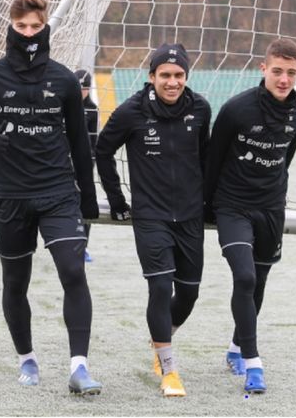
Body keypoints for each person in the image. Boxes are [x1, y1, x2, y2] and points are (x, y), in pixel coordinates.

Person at [0, 0, 102, 395]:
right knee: (16, 281)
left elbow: (80, 145)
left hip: (57, 193)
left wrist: (87, 199)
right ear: (11, 27)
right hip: (12, 197)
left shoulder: (65, 80)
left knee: (74, 272)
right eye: (22, 27)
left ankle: (79, 367)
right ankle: (27, 359)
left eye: (35, 27)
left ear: (45, 27)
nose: (29, 33)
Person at [95, 43, 211, 397]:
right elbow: (102, 150)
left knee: (188, 295)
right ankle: (169, 369)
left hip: (190, 216)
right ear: (152, 77)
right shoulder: (132, 111)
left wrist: (210, 202)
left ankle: (161, 339)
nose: (172, 82)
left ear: (186, 77)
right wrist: (117, 200)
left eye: (178, 75)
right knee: (160, 287)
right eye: (165, 75)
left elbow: (207, 159)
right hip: (151, 217)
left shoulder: (202, 109)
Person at [203, 38, 296, 394]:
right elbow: (213, 160)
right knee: (244, 277)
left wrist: (273, 196)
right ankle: (254, 363)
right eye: (277, 71)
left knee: (258, 282)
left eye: (291, 72)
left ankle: (235, 347)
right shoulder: (236, 109)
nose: (284, 79)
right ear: (263, 69)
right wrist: (208, 207)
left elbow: (284, 160)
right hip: (233, 206)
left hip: (270, 208)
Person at [74, 69, 98, 262]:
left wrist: (91, 163)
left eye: (84, 88)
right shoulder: (64, 105)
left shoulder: (92, 109)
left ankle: (84, 246)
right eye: (78, 87)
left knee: (86, 204)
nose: (81, 91)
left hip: (84, 164)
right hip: (63, 164)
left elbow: (94, 140)